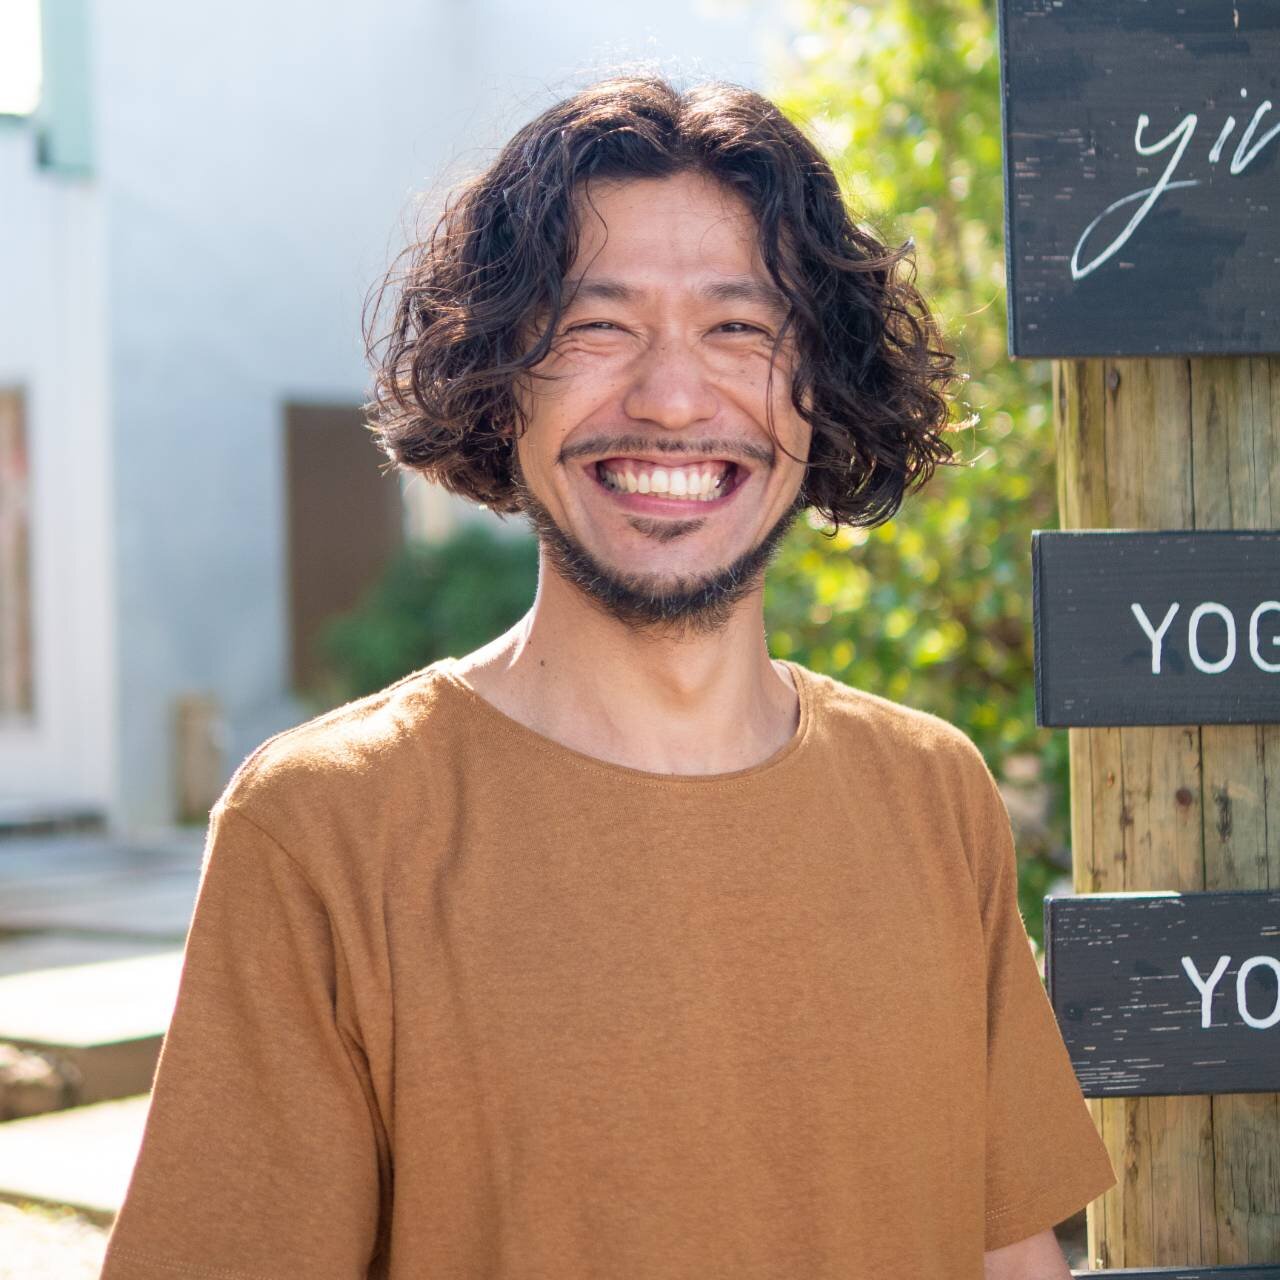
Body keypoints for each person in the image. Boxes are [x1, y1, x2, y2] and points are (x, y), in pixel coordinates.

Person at [99, 76, 1116, 1280]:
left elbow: (1008, 1258)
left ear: (822, 386)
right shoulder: (327, 828)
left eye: (739, 328)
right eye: (595, 327)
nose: (672, 398)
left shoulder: (931, 793)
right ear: (498, 382)